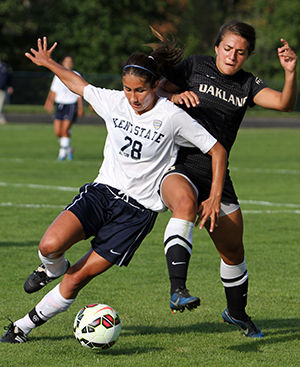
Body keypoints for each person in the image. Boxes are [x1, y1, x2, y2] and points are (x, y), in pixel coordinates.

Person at [0, 36, 227, 343]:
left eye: (141, 90)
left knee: (79, 276)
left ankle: (22, 327)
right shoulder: (114, 101)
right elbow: (78, 85)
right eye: (128, 89)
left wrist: (214, 195)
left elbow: (216, 149)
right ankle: (52, 268)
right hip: (101, 194)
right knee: (49, 246)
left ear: (156, 85)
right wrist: (49, 63)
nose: (133, 97)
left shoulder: (172, 116)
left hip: (136, 214)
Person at [156, 21, 297, 337]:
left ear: (246, 56)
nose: (233, 56)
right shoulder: (194, 65)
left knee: (233, 252)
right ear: (217, 46)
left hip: (218, 174)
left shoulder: (248, 84)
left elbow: (285, 104)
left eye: (241, 52)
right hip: (179, 165)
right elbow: (157, 88)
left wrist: (289, 72)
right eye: (228, 48)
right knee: (185, 205)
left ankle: (236, 313)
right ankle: (177, 290)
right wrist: (173, 97)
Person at [44, 55, 84, 160]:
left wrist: (80, 107)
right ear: (63, 63)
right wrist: (49, 102)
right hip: (60, 105)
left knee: (65, 129)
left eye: (70, 61)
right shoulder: (57, 75)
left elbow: (80, 93)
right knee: (58, 131)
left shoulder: (76, 75)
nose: (68, 63)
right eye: (66, 61)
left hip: (71, 105)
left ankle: (62, 153)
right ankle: (68, 148)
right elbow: (53, 91)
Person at [0, 57, 14, 125]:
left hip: (2, 89)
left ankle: (1, 120)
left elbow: (9, 77)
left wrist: (10, 86)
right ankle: (1, 119)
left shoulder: (5, 66)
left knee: (0, 106)